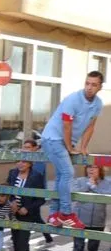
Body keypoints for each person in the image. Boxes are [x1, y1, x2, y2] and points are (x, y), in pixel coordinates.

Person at [40, 71, 104, 229]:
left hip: (66, 141)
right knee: (68, 173)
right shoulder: (73, 99)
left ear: (100, 87)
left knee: (62, 175)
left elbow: (90, 126)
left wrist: (83, 147)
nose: (89, 87)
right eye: (87, 83)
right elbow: (66, 125)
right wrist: (70, 147)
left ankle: (53, 215)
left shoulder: (98, 104)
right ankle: (66, 213)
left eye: (94, 84)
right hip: (53, 139)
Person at [66, 165, 110, 251]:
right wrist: (88, 185)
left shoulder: (107, 182)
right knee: (77, 249)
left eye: (95, 167)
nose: (91, 169)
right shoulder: (80, 180)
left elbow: (108, 195)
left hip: (97, 222)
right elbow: (73, 193)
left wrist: (95, 187)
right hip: (80, 221)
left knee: (93, 250)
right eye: (89, 167)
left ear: (100, 170)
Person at [21, 139, 53, 243]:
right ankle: (47, 236)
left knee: (35, 216)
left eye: (28, 147)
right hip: (24, 192)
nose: (25, 150)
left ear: (35, 148)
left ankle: (47, 236)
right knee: (29, 216)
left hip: (36, 193)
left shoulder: (39, 161)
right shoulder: (23, 159)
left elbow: (35, 177)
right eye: (24, 147)